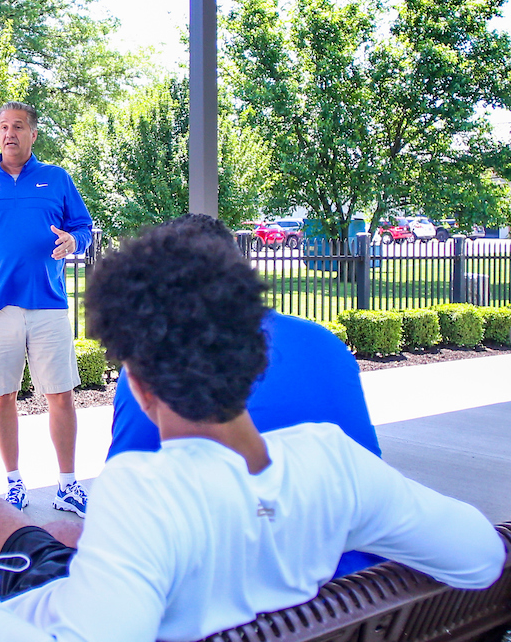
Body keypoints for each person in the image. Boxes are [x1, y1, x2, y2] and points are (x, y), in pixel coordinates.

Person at [0, 222, 505, 642]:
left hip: (38, 615)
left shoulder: (140, 491)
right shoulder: (335, 463)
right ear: (254, 355)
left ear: (138, 384)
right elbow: (481, 558)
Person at [107, 214, 383, 577]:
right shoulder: (325, 343)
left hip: (242, 609)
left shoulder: (153, 364)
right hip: (362, 594)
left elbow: (129, 510)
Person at [0, 101, 93, 516]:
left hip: (47, 301)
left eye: (19, 126)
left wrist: (74, 242)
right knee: (1, 397)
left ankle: (67, 485)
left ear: (33, 134)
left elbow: (83, 228)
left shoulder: (56, 179)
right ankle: (14, 484)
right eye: (4, 127)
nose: (10, 133)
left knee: (60, 395)